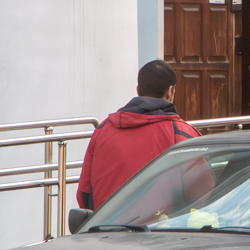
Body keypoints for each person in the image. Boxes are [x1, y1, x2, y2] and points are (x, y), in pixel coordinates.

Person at [76, 60, 201, 209]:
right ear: (170, 91)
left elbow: (84, 195)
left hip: (105, 228)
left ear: (138, 89)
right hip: (161, 229)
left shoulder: (103, 129)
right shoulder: (183, 135)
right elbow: (204, 195)